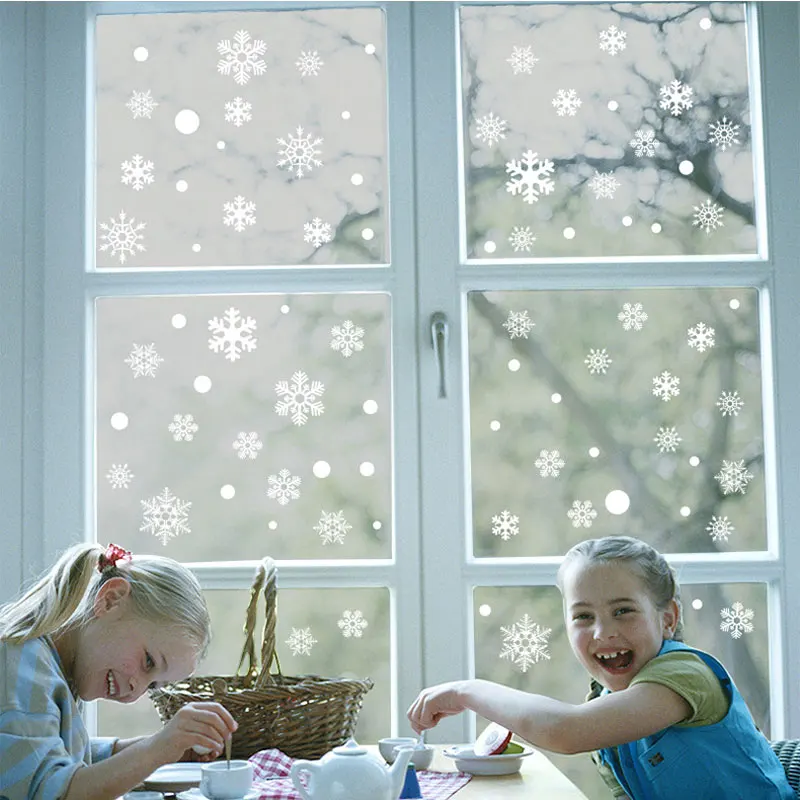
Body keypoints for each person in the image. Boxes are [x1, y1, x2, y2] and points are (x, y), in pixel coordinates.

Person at [407, 535, 793, 799]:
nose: (603, 632)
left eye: (623, 611)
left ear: (668, 618)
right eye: (583, 616)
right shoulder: (605, 705)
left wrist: (467, 690)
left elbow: (565, 731)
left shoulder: (685, 675)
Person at [0, 542, 238, 800]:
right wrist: (156, 750)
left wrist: (165, 749)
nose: (136, 692)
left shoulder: (50, 664)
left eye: (153, 686)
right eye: (148, 662)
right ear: (110, 600)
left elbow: (53, 756)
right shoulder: (22, 667)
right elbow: (54, 793)